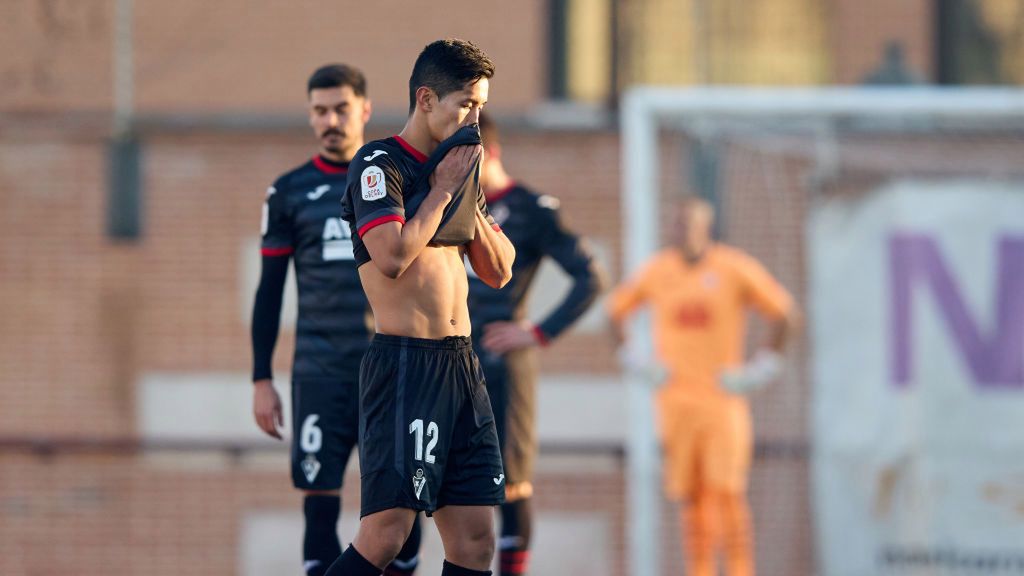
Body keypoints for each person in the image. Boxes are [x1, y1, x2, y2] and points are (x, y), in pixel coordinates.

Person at [325, 39, 515, 576]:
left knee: (476, 540)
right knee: (387, 533)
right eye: (466, 104)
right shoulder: (378, 164)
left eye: (480, 106)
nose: (474, 118)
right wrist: (440, 191)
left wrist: (464, 190)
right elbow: (391, 258)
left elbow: (499, 271)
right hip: (406, 364)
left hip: (462, 365)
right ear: (426, 99)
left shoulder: (457, 168)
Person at [250, 64, 421, 576]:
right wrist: (262, 378)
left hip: (390, 372)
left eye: (341, 109)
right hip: (320, 374)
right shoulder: (288, 192)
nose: (330, 120)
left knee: (402, 512)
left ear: (364, 110)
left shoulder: (398, 182)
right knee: (319, 508)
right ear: (310, 116)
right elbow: (269, 291)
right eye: (320, 111)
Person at [607, 197, 799, 576]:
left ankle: (741, 570)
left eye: (690, 224)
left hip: (722, 401)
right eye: (678, 224)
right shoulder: (658, 270)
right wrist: (636, 362)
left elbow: (786, 315)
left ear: (706, 228)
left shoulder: (733, 267)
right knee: (692, 500)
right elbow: (615, 313)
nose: (683, 231)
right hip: (676, 403)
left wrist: (761, 368)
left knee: (727, 494)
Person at [468, 113, 605, 576]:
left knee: (510, 485)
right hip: (449, 363)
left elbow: (590, 278)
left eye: (466, 158)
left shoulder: (532, 208)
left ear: (490, 152)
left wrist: (535, 332)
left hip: (504, 365)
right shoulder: (446, 207)